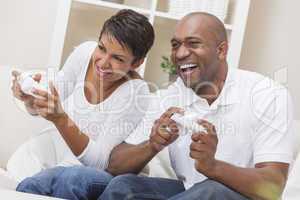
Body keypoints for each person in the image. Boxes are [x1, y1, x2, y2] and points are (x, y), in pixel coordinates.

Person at [99, 12, 295, 200]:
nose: (181, 53)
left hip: (242, 196)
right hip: (189, 192)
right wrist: (152, 145)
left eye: (193, 43)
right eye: (176, 45)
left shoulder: (267, 95)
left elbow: (273, 188)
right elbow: (114, 165)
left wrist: (213, 167)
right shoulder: (170, 98)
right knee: (123, 187)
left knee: (211, 190)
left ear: (221, 50)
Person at [12, 9, 154, 199]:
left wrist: (62, 119)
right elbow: (49, 101)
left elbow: (101, 163)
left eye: (118, 58)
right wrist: (30, 99)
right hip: (64, 159)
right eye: (102, 48)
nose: (103, 63)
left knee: (60, 180)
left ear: (136, 63)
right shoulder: (84, 53)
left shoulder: (136, 93)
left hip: (96, 175)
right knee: (21, 163)